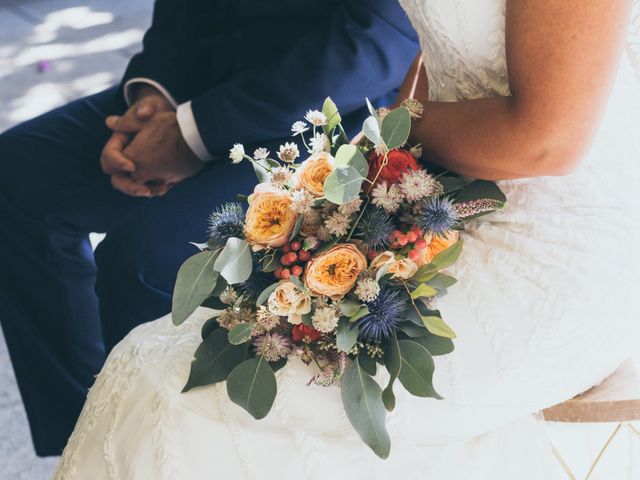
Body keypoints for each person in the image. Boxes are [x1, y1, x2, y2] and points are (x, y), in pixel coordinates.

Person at [54, 0, 640, 478]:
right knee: (156, 356)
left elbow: (548, 140)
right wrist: (358, 194)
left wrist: (383, 137)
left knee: (175, 397)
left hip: (564, 248)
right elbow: (443, 55)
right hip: (447, 200)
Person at [0, 0, 419, 456]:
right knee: (18, 174)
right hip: (197, 88)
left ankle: (156, 454)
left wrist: (188, 135)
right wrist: (152, 96)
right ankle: (82, 440)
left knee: (139, 261)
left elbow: (374, 41)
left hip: (323, 118)